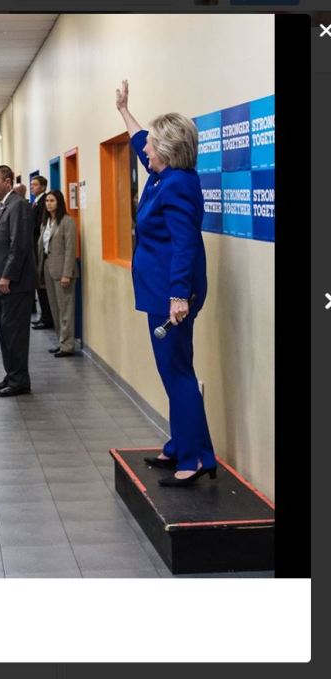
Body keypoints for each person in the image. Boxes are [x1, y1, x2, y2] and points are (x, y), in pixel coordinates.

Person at [115, 79, 216, 486]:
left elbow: (184, 243)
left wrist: (178, 295)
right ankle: (187, 445)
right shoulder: (163, 177)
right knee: (175, 370)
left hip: (171, 294)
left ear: (169, 151)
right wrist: (124, 110)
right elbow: (140, 138)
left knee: (177, 373)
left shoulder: (177, 185)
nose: (145, 149)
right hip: (161, 290)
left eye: (153, 145)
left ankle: (192, 460)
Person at [0, 165, 36, 397]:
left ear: (7, 181)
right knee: (5, 331)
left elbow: (19, 245)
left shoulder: (18, 205)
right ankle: (12, 374)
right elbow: (0, 240)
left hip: (14, 283)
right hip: (0, 283)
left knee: (15, 333)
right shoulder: (1, 206)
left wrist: (7, 275)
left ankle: (19, 380)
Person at [37, 190, 78, 357]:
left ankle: (68, 345)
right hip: (48, 268)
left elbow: (70, 249)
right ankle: (61, 341)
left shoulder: (67, 221)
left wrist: (67, 274)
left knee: (65, 309)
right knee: (54, 309)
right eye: (47, 201)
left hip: (63, 271)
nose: (48, 203)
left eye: (52, 200)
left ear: (59, 202)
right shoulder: (45, 222)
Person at [29, 176, 55, 331]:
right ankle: (44, 316)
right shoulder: (36, 202)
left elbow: (37, 225)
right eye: (31, 184)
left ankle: (47, 318)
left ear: (43, 186)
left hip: (41, 249)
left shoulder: (43, 202)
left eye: (35, 184)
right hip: (36, 247)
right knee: (40, 285)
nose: (32, 187)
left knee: (43, 287)